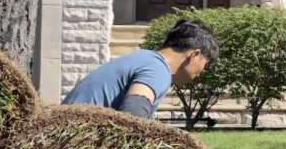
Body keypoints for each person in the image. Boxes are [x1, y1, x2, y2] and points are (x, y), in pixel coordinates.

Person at [62, 19, 219, 119]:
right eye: (204, 65)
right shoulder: (158, 69)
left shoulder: (146, 58)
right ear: (194, 54)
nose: (201, 73)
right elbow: (133, 113)